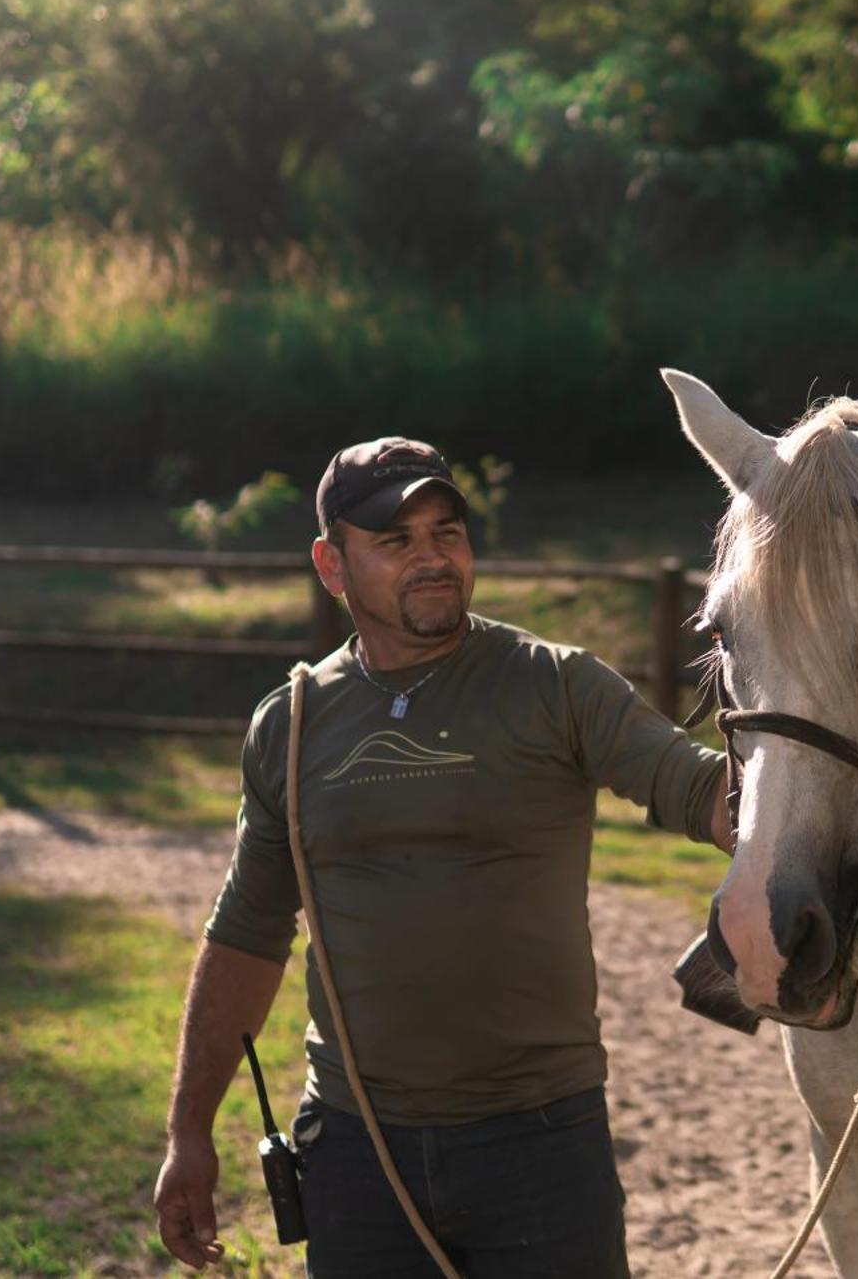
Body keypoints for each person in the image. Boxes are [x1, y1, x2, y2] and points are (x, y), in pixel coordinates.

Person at [151, 436, 731, 1277]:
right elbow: (246, 931)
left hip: (540, 1143)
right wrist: (188, 1132)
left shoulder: (555, 684)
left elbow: (703, 789)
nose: (432, 558)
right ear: (332, 562)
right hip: (356, 1151)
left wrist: (821, 796)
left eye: (446, 533)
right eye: (396, 540)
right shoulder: (294, 721)